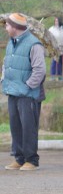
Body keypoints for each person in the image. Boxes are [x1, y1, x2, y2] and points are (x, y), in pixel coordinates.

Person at [2, 13, 45, 171]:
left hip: (28, 94)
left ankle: (31, 160)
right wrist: (4, 79)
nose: (5, 28)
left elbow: (39, 70)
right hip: (13, 92)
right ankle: (19, 159)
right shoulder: (11, 42)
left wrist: (27, 86)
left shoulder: (34, 44)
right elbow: (6, 64)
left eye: (7, 25)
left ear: (15, 27)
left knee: (28, 127)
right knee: (16, 126)